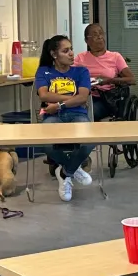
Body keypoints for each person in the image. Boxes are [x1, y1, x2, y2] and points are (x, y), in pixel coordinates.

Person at [36, 34, 97, 202]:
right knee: (45, 142)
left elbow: (83, 97)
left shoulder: (81, 71)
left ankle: (65, 172)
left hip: (77, 114)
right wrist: (72, 98)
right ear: (54, 54)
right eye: (66, 50)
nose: (71, 54)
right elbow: (43, 95)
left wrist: (60, 104)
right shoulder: (44, 71)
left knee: (90, 139)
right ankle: (73, 168)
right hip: (52, 115)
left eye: (71, 49)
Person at [74, 22, 135, 122]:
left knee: (86, 113)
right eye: (95, 35)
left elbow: (132, 79)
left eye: (101, 33)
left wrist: (109, 80)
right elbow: (68, 75)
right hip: (83, 96)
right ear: (87, 41)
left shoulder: (115, 57)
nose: (99, 37)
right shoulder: (80, 58)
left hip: (106, 99)